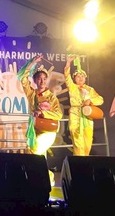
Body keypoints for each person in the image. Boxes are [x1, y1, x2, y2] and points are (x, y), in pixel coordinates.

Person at [18, 54, 63, 186]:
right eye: (39, 78)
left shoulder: (51, 98)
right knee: (37, 155)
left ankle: (47, 176)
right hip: (34, 129)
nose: (42, 81)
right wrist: (33, 62)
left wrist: (43, 112)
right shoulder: (31, 94)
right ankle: (41, 179)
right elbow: (21, 77)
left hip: (48, 131)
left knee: (35, 152)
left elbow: (58, 115)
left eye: (44, 78)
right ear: (35, 80)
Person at [64, 55, 104, 156]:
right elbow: (66, 76)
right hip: (75, 115)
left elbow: (100, 100)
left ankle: (85, 163)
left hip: (87, 117)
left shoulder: (90, 89)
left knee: (87, 142)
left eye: (82, 76)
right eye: (78, 76)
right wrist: (68, 63)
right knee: (77, 142)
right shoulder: (72, 87)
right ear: (74, 79)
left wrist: (90, 101)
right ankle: (78, 164)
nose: (80, 78)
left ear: (85, 78)